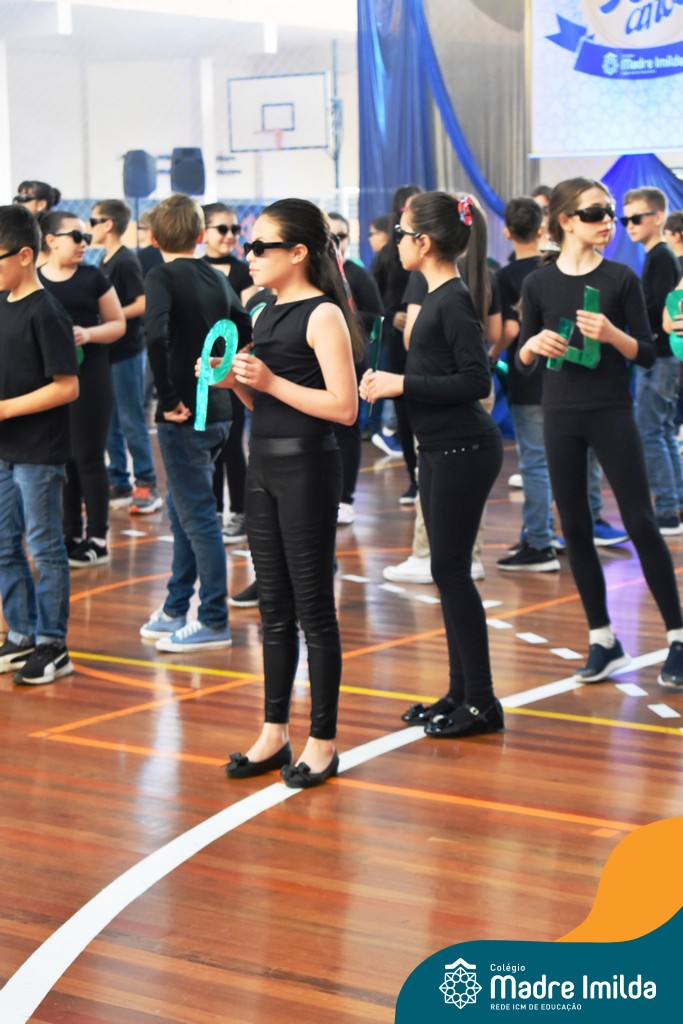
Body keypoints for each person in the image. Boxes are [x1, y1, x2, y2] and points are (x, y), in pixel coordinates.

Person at [215, 198, 360, 787]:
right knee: (272, 606)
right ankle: (274, 731)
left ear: (298, 253)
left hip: (308, 468)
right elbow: (266, 403)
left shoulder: (323, 314)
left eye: (259, 246)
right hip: (264, 465)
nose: (248, 255)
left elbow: (344, 408)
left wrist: (270, 380)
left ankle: (323, 740)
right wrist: (235, 382)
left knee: (313, 609)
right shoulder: (264, 310)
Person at [517, 177, 683, 689]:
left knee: (640, 521)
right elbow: (521, 358)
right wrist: (532, 346)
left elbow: (649, 352)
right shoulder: (538, 284)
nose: (608, 222)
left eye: (611, 212)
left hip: (611, 412)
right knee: (575, 527)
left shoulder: (620, 279)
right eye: (596, 213)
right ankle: (602, 639)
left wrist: (613, 335)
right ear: (566, 220)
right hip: (559, 415)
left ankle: (678, 637)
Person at [361, 191, 505, 738]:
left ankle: (483, 702)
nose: (396, 243)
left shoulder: (453, 300)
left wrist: (402, 383)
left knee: (451, 572)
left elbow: (476, 380)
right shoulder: (436, 293)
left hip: (464, 448)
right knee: (447, 573)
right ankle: (460, 691)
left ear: (423, 242)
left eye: (401, 234)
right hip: (442, 448)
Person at [139, 194, 251, 652]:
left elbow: (155, 334)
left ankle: (213, 619)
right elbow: (245, 327)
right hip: (218, 411)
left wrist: (168, 399)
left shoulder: (161, 275)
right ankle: (175, 607)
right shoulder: (215, 275)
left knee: (198, 517)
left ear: (153, 238)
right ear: (202, 235)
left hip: (185, 414)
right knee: (185, 512)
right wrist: (221, 369)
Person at [0, 204, 79, 684]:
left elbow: (67, 387)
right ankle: (22, 632)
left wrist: (6, 409)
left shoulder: (46, 311)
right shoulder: (1, 302)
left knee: (44, 547)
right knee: (4, 544)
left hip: (39, 453)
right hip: (5, 451)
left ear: (25, 255)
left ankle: (53, 643)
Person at [39, 211, 126, 567]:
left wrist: (88, 334)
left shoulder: (93, 278)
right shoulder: (35, 281)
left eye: (85, 237)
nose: (83, 243)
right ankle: (70, 532)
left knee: (89, 456)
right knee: (64, 457)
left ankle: (98, 538)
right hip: (50, 380)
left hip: (90, 376)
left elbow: (118, 323)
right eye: (75, 236)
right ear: (50, 240)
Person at [89, 199, 161, 515]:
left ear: (108, 224)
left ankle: (146, 480)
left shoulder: (125, 260)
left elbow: (142, 303)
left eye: (93, 221)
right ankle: (119, 479)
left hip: (126, 352)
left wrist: (112, 315)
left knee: (131, 417)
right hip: (108, 351)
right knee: (110, 420)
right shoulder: (105, 260)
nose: (89, 228)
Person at [622, 186, 683, 535]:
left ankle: (668, 509)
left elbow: (659, 308)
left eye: (636, 218)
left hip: (660, 357)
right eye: (625, 219)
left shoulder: (661, 257)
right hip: (661, 357)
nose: (630, 225)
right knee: (661, 431)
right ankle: (675, 503)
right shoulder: (658, 256)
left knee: (651, 432)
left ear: (658, 217)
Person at [201, 202, 254, 544]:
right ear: (203, 232)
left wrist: (232, 362)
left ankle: (241, 512)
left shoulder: (243, 272)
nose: (230, 235)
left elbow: (249, 321)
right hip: (203, 368)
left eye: (235, 229)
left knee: (233, 442)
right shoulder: (195, 271)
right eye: (222, 229)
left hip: (232, 367)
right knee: (210, 443)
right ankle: (215, 511)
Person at [327, 211, 384, 523]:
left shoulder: (357, 275)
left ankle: (345, 497)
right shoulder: (313, 274)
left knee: (346, 428)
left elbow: (377, 316)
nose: (336, 242)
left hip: (352, 359)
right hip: (317, 364)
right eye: (329, 236)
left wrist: (341, 321)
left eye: (341, 236)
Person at [370, 184, 423, 494]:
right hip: (399, 346)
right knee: (404, 413)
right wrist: (392, 316)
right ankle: (414, 478)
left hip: (427, 346)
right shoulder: (388, 255)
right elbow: (370, 302)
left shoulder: (433, 252)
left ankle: (424, 477)